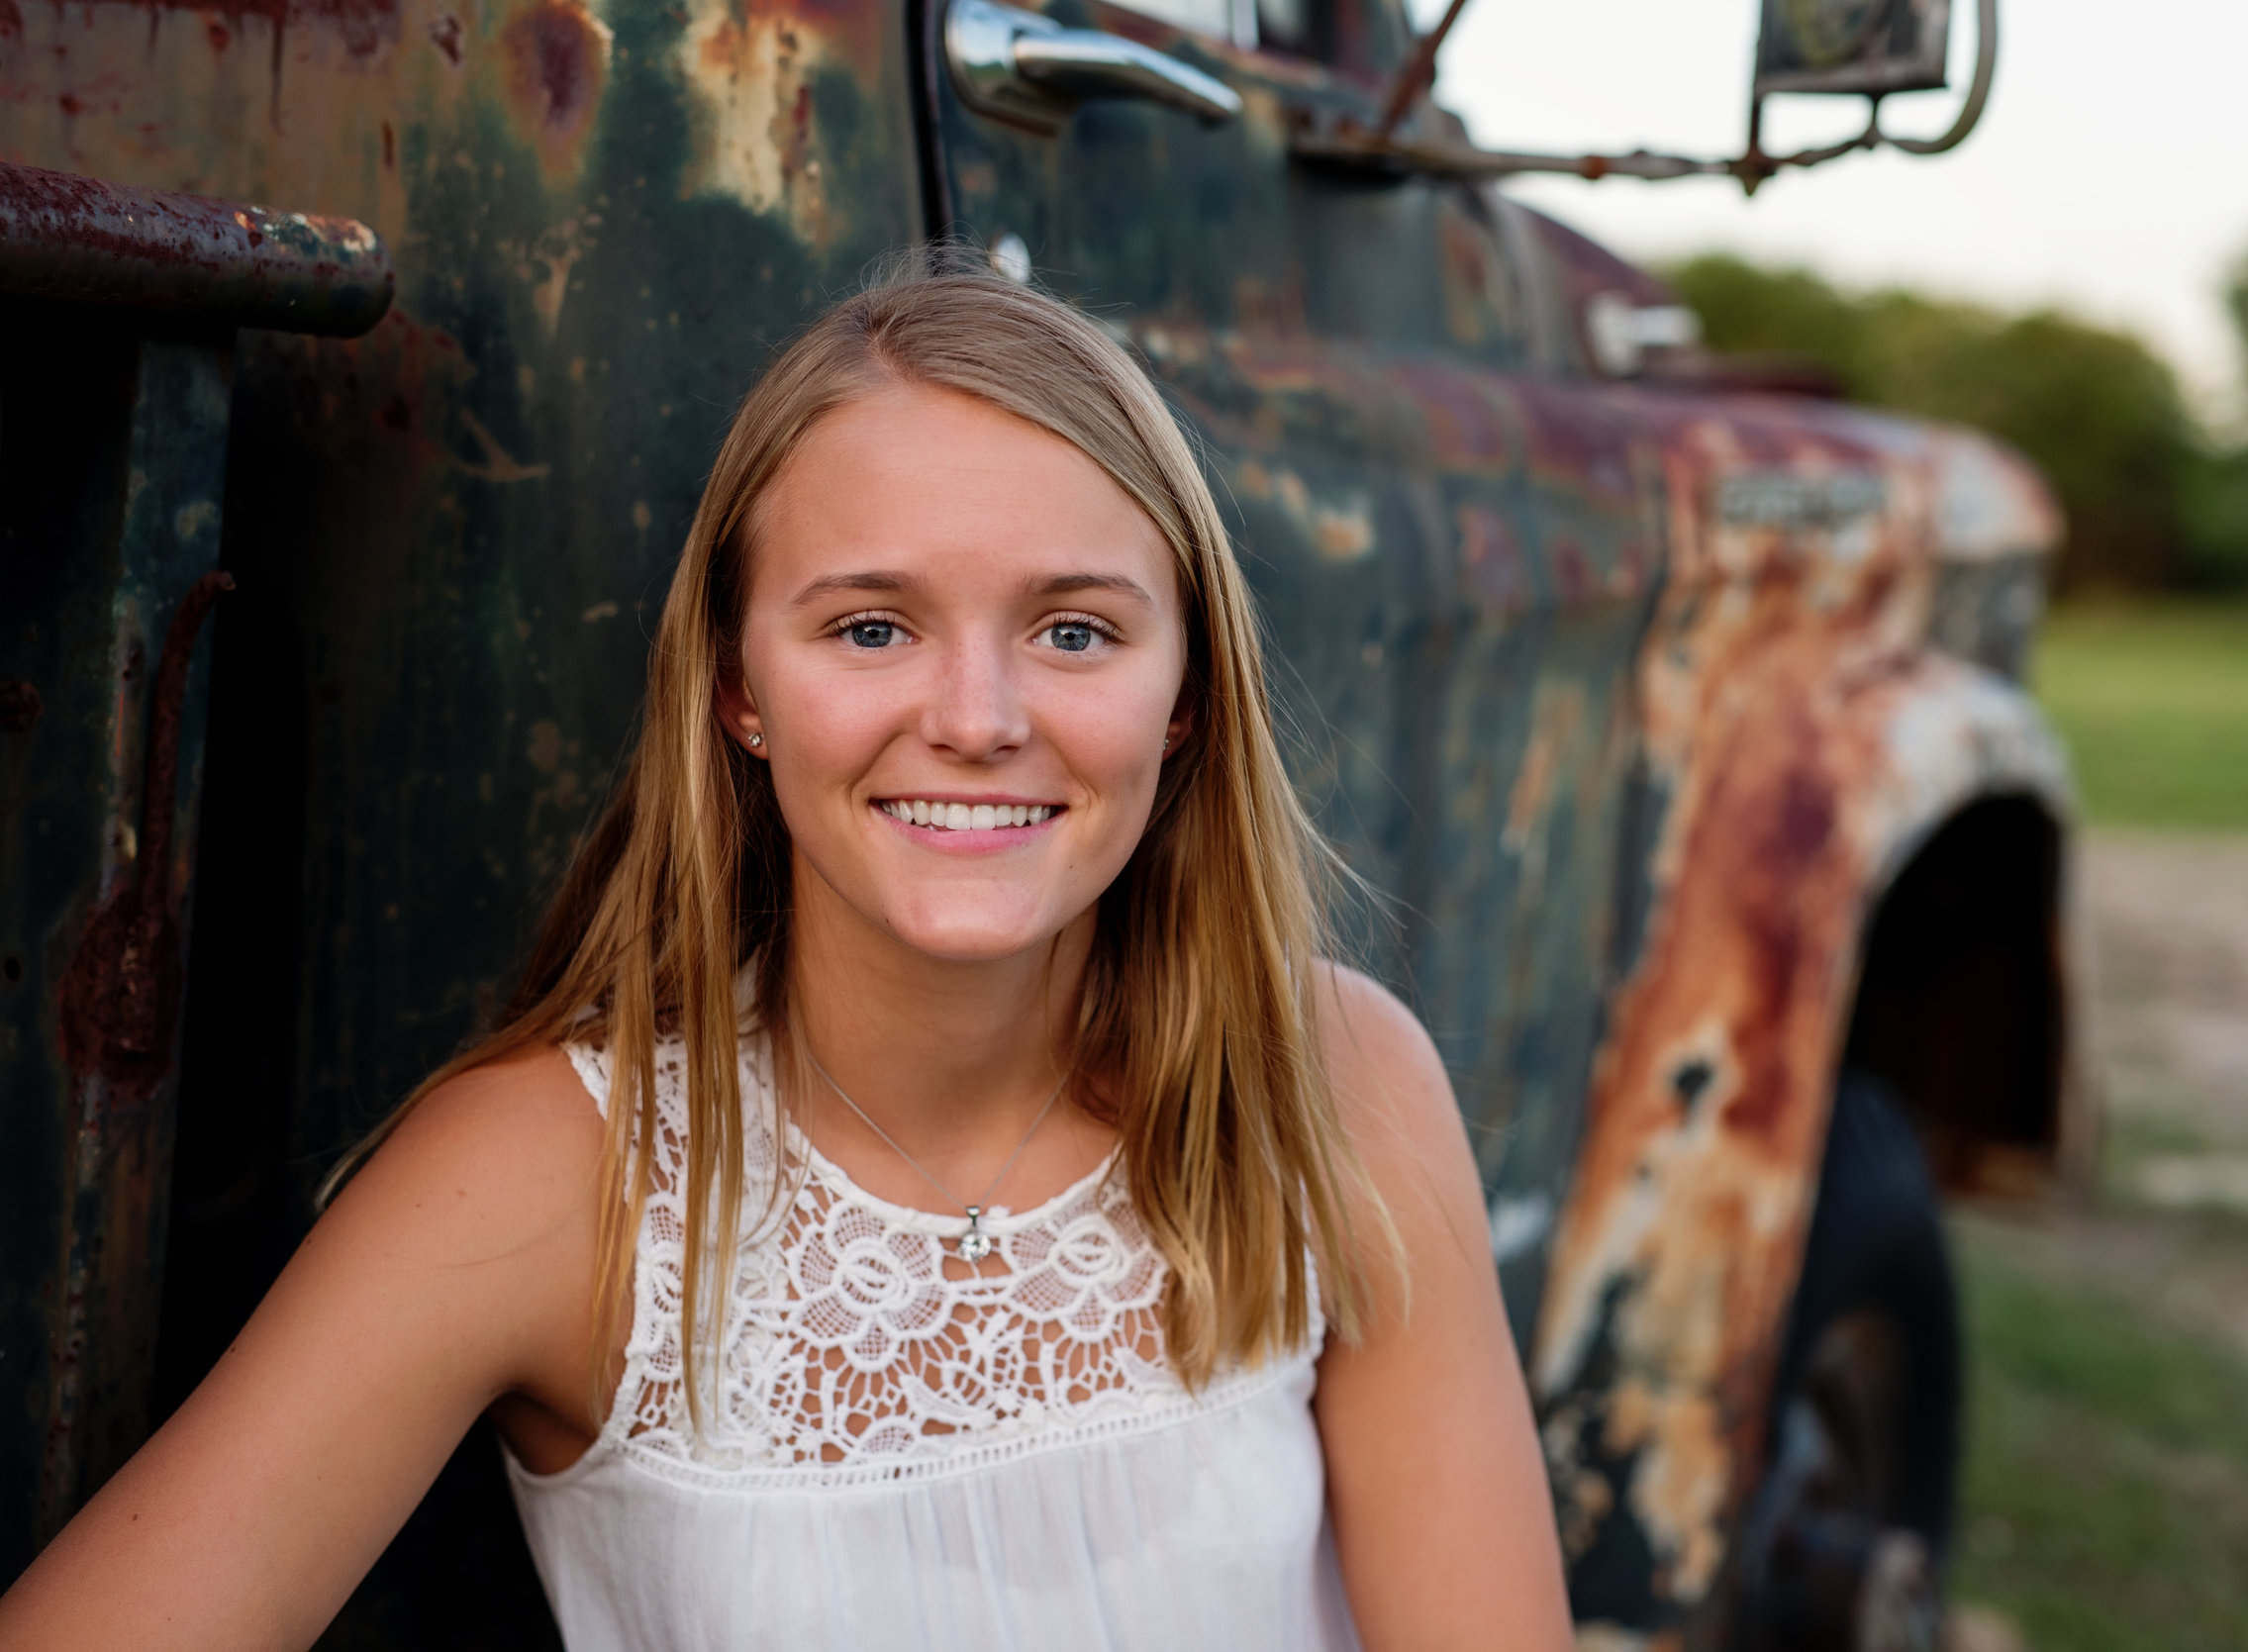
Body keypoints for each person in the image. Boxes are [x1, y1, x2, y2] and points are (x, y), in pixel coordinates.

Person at [0, 258, 1571, 1651]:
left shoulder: (1337, 1083)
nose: (976, 716)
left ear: (1184, 696)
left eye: (1074, 629)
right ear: (740, 690)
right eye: (870, 626)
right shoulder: (560, 1175)